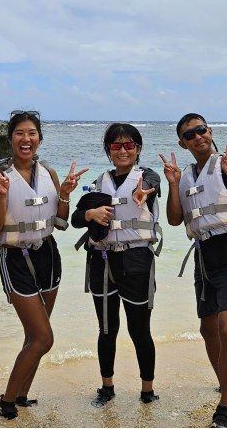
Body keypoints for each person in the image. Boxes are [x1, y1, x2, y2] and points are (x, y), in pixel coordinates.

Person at [0, 111, 88, 420]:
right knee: (43, 337)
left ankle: (23, 394)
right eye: (19, 134)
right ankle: (7, 399)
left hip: (48, 256)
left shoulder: (49, 173)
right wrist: (1, 195)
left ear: (39, 137)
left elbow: (61, 221)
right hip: (15, 258)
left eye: (32, 134)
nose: (26, 139)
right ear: (10, 138)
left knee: (34, 337)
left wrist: (64, 195)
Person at [160, 114, 227, 429]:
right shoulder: (185, 175)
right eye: (190, 135)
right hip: (203, 256)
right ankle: (225, 382)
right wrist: (173, 184)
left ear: (210, 131)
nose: (198, 137)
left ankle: (224, 410)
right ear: (182, 143)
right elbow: (175, 220)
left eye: (201, 130)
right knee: (207, 329)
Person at [71, 123, 162, 407]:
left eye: (129, 145)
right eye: (116, 146)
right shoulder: (100, 182)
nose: (123, 150)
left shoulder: (146, 177)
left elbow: (152, 184)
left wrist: (143, 193)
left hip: (135, 259)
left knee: (139, 329)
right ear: (108, 151)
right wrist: (90, 212)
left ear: (138, 149)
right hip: (101, 259)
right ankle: (106, 387)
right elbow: (75, 220)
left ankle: (147, 390)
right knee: (107, 328)